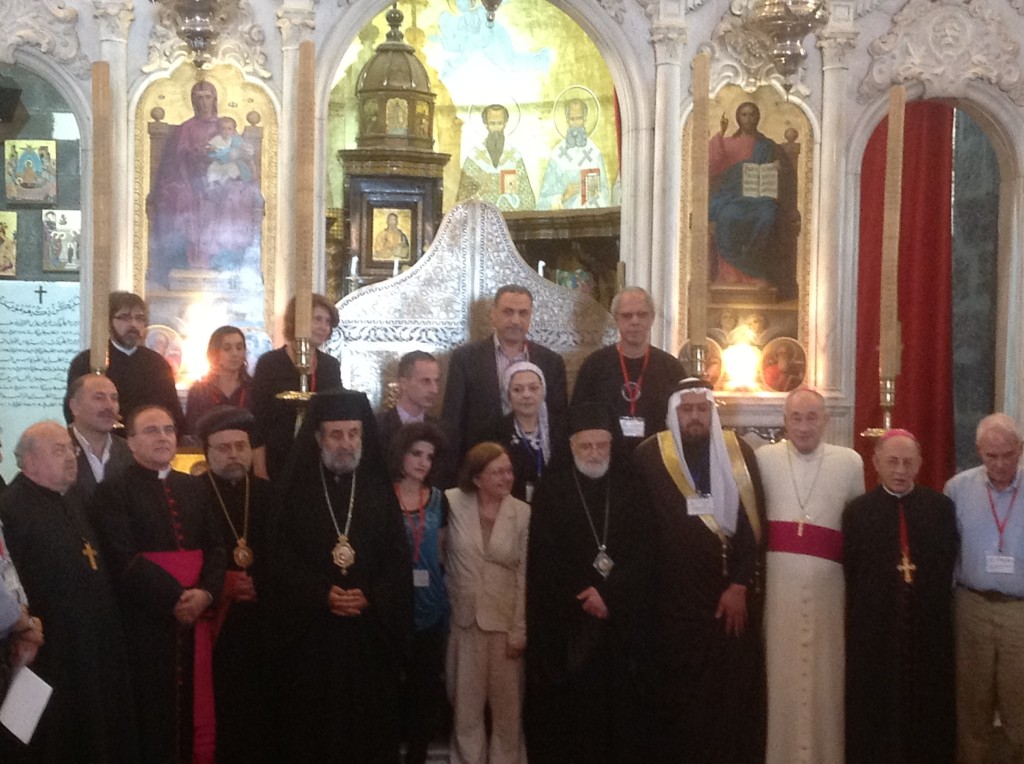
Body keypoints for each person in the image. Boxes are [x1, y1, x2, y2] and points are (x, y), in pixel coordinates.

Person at [270, 390, 413, 762]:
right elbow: (280, 559)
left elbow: (399, 559)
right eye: (336, 434)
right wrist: (322, 594)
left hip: (368, 635)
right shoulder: (295, 493)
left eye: (353, 433)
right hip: (312, 637)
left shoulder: (379, 492)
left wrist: (370, 594)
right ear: (318, 438)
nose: (346, 443)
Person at [633, 377, 766, 762]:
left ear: (711, 411)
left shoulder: (738, 452)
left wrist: (740, 583)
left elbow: (754, 525)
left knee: (726, 697)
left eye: (701, 409)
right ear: (674, 412)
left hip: (728, 601)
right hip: (672, 602)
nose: (694, 417)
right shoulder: (650, 455)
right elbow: (638, 532)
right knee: (678, 700)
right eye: (686, 410)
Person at [89, 405, 225, 764]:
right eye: (151, 431)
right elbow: (124, 558)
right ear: (130, 442)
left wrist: (206, 593)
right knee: (152, 715)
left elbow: (216, 547)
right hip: (146, 624)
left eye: (168, 429)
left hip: (198, 617)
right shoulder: (113, 490)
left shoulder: (195, 487)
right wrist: (179, 598)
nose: (163, 437)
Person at [0, 421, 137, 763]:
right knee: (42, 740)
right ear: (29, 461)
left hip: (91, 646)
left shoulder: (72, 500)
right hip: (47, 650)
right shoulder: (13, 507)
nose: (70, 456)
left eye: (70, 448)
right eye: (58, 449)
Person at [524, 402, 653, 763]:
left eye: (602, 446)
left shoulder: (631, 486)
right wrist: (585, 595)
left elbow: (646, 552)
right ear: (571, 446)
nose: (595, 454)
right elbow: (544, 561)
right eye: (586, 446)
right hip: (570, 628)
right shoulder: (554, 490)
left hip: (621, 629)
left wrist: (610, 595)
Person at [755, 387, 864, 764]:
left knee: (826, 681)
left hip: (829, 594)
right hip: (779, 590)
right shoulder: (763, 459)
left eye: (812, 418)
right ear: (784, 421)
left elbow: (858, 530)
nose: (803, 427)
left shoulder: (849, 462)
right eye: (796, 418)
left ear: (826, 421)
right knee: (780, 680)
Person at [843, 429, 958, 764]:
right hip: (875, 628)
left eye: (908, 462)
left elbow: (947, 560)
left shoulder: (940, 508)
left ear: (920, 464)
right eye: (892, 461)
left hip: (928, 627)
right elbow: (852, 568)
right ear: (876, 462)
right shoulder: (858, 512)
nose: (900, 470)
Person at [193, 406, 276, 764]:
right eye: (224, 448)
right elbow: (186, 553)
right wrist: (223, 584)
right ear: (207, 453)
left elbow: (284, 553)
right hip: (216, 620)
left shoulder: (269, 495)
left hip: (262, 618)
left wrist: (262, 583)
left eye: (241, 447)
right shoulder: (191, 494)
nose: (234, 455)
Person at [945, 413, 1024, 763]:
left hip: (1018, 610)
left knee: (1018, 699)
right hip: (971, 605)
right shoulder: (958, 488)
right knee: (971, 699)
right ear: (979, 451)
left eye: (1008, 454)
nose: (1000, 463)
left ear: (1020, 449)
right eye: (991, 456)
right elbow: (946, 549)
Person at [445, 442, 530, 764]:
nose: (506, 477)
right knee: (465, 711)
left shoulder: (522, 512)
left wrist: (519, 629)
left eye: (508, 470)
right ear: (477, 477)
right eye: (497, 471)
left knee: (508, 715)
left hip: (505, 626)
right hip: (463, 624)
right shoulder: (452, 502)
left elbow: (524, 575)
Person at [147, 80, 264, 282]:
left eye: (207, 97)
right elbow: (177, 161)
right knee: (180, 197)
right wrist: (194, 179)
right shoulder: (186, 129)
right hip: (189, 178)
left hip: (222, 177)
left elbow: (238, 153)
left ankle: (226, 260)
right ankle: (184, 261)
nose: (203, 102)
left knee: (236, 196)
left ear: (215, 99)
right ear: (192, 100)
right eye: (199, 97)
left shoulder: (224, 126)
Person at [442, 284, 568, 461]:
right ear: (493, 314)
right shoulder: (465, 359)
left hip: (535, 462)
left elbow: (559, 421)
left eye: (523, 313)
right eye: (508, 312)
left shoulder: (551, 362)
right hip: (480, 463)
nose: (516, 320)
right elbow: (452, 421)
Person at [388, 422, 451, 764]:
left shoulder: (440, 499)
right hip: (392, 608)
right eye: (416, 453)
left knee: (423, 690)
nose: (423, 462)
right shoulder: (383, 496)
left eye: (429, 456)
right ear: (400, 454)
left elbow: (441, 552)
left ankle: (417, 755)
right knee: (389, 687)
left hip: (430, 608)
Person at [570, 287, 687, 453]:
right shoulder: (594, 365)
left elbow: (682, 419)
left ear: (652, 318)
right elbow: (579, 419)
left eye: (642, 315)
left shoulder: (671, 367)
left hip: (658, 458)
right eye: (627, 315)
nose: (635, 321)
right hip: (607, 460)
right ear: (616, 320)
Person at [251, 293, 342, 481]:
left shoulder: (330, 366)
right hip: (276, 461)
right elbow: (258, 420)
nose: (323, 327)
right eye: (317, 319)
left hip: (317, 463)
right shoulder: (270, 363)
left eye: (327, 322)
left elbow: (335, 415)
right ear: (297, 320)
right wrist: (260, 470)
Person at [65, 291, 185, 432]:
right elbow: (73, 410)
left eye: (139, 318)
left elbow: (172, 411)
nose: (133, 324)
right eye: (124, 318)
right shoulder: (87, 361)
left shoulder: (157, 363)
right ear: (109, 322)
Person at [709, 102, 787, 290]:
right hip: (733, 197)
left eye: (752, 114)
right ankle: (732, 272)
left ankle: (755, 269)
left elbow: (784, 172)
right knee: (728, 216)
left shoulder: (767, 146)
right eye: (744, 114)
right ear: (738, 118)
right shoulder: (728, 143)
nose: (748, 118)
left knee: (768, 215)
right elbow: (713, 166)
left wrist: (777, 168)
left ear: (758, 117)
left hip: (759, 198)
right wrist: (720, 133)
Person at [483, 361, 566, 502]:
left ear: (543, 391)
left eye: (533, 388)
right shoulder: (493, 432)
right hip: (509, 506)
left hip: (555, 505)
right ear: (507, 395)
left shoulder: (561, 428)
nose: (526, 395)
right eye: (517, 390)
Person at [456, 104, 537, 211]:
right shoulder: (474, 158)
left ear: (505, 124)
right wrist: (481, 192)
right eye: (492, 124)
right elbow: (462, 201)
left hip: (510, 221)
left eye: (500, 123)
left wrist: (511, 201)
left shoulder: (514, 157)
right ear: (485, 124)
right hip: (482, 220)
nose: (496, 128)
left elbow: (528, 200)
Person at [67, 373, 133, 500]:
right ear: (75, 406)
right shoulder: (57, 449)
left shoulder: (129, 452)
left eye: (114, 399)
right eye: (99, 398)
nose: (109, 406)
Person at [537, 98, 610, 209]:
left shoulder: (594, 152)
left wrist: (591, 197)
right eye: (572, 119)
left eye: (579, 118)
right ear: (567, 121)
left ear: (585, 120)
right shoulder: (557, 155)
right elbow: (542, 202)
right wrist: (564, 196)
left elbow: (604, 191)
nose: (575, 123)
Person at [185, 326, 254, 438]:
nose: (234, 353)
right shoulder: (199, 391)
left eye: (239, 348)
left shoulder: (253, 389)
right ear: (215, 353)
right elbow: (192, 432)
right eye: (227, 348)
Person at [377, 350, 442, 452]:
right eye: (426, 381)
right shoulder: (377, 427)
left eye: (436, 381)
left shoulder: (441, 430)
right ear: (404, 383)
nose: (434, 390)